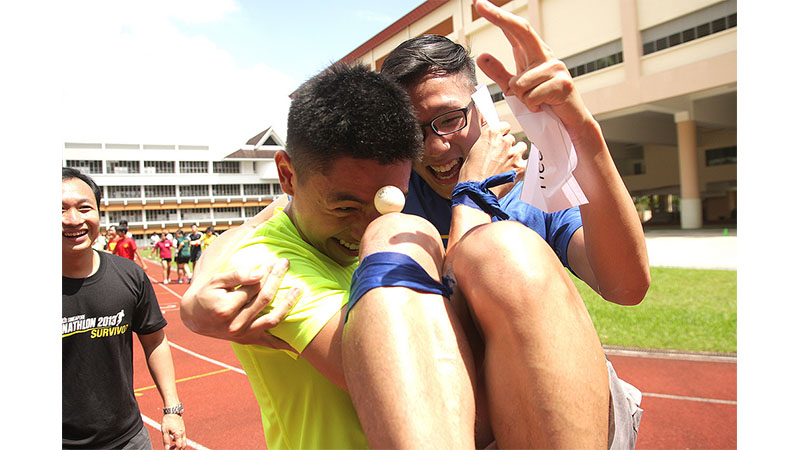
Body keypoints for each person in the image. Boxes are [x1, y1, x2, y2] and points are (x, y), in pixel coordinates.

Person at [182, 1, 648, 447]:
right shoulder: (387, 203)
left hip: (553, 408)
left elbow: (626, 285)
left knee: (503, 247)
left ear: (483, 109)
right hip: (462, 414)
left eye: (449, 119)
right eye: (416, 132)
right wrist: (199, 288)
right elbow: (272, 220)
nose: (437, 147)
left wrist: (581, 130)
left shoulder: (532, 189)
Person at [62, 167, 186, 449]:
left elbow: (155, 341)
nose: (74, 220)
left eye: (84, 208)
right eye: (61, 209)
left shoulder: (129, 276)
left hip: (129, 439)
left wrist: (172, 409)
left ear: (98, 212)